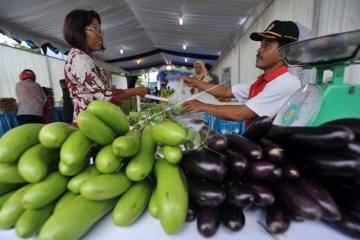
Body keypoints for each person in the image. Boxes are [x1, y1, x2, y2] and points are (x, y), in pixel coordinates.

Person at [180, 20, 301, 128]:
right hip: (257, 145)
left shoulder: (286, 82)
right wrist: (195, 82)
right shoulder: (261, 81)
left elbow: (240, 113)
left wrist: (203, 106)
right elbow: (226, 91)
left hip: (273, 148)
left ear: (284, 52)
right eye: (261, 45)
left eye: (266, 45)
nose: (259, 50)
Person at [63, 9, 148, 124]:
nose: (99, 35)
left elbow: (99, 91)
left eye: (100, 30)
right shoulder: (79, 59)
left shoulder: (82, 56)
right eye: (94, 29)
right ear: (78, 31)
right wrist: (135, 91)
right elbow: (104, 96)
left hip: (92, 121)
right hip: (88, 124)